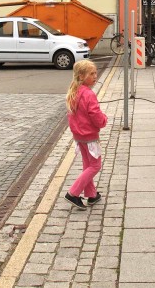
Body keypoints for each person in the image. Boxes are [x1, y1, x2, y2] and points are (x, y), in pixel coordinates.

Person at [64, 60, 107, 211]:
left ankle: (91, 194)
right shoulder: (89, 94)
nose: (95, 76)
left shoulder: (73, 91)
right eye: (91, 74)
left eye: (95, 73)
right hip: (89, 136)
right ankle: (73, 193)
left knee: (87, 164)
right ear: (81, 76)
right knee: (95, 165)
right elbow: (95, 114)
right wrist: (103, 121)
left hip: (79, 135)